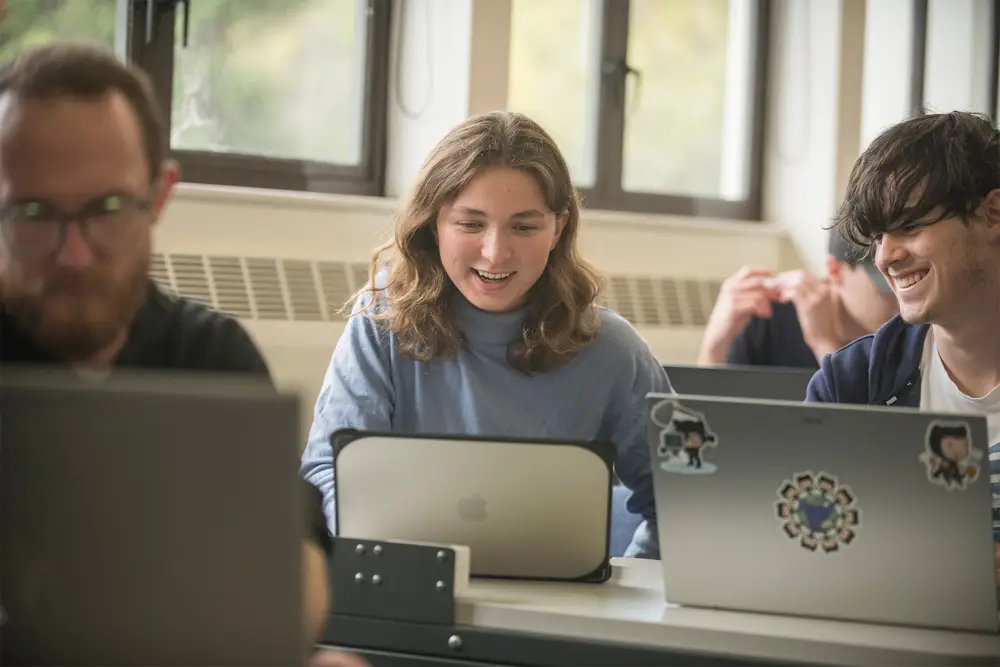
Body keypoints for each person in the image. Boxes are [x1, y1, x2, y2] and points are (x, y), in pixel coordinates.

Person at [0, 41, 354, 662]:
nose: (75, 254)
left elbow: (295, 577)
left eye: (107, 209)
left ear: (159, 195)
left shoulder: (211, 356)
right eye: (33, 213)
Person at [301, 110, 672, 559]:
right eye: (470, 224)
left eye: (524, 226)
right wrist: (400, 571)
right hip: (408, 588)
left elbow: (683, 500)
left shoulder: (612, 348)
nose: (495, 253)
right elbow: (329, 474)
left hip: (558, 608)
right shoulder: (380, 323)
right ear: (433, 223)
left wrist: (626, 589)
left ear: (558, 227)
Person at [804, 110, 1000, 601]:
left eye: (908, 227)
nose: (884, 257)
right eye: (877, 237)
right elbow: (810, 552)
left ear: (992, 214)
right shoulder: (849, 383)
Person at [697, 232, 898, 369]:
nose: (902, 299)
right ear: (835, 271)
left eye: (904, 280)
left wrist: (824, 345)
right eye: (885, 285)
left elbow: (866, 427)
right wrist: (714, 345)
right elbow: (705, 417)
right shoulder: (767, 314)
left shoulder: (909, 336)